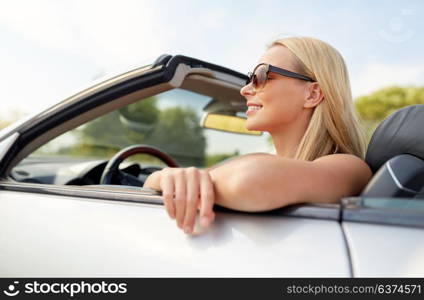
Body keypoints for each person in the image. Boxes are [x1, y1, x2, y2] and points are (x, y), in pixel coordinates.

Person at [143, 36, 372, 235]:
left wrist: (188, 179)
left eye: (261, 76)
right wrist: (166, 177)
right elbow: (154, 181)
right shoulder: (262, 161)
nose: (245, 89)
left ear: (312, 94)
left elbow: (248, 182)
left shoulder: (350, 168)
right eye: (249, 78)